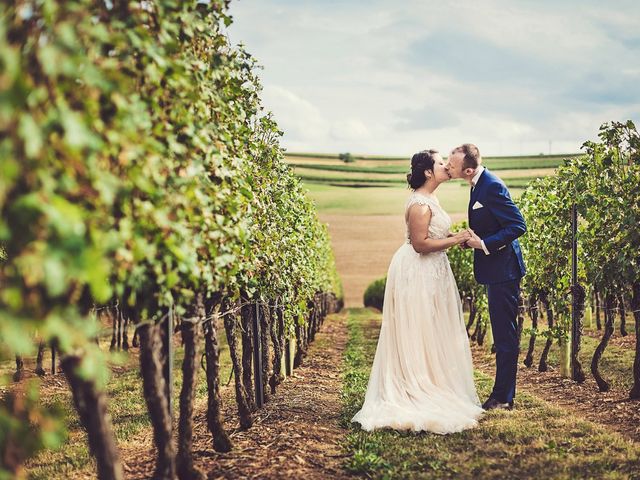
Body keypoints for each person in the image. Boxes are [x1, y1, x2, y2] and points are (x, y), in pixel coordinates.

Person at [351, 149, 484, 434]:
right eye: (440, 163)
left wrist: (453, 238)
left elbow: (432, 237)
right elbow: (420, 245)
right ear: (427, 172)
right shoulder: (420, 205)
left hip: (432, 270)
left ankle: (432, 380)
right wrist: (455, 239)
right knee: (419, 326)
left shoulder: (432, 199)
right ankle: (415, 385)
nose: (447, 166)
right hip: (418, 270)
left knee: (430, 327)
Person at [445, 144, 526, 410]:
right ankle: (502, 394)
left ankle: (503, 398)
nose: (447, 166)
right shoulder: (476, 184)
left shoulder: (491, 185)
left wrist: (483, 244)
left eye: (452, 164)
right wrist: (470, 239)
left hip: (504, 271)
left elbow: (517, 225)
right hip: (496, 271)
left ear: (468, 169)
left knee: (505, 335)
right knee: (502, 333)